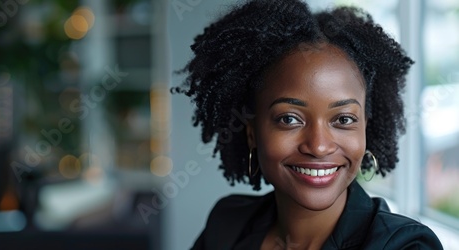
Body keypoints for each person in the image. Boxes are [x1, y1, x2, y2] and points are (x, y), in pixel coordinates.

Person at [172, 0, 443, 249]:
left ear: (365, 129)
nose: (319, 146)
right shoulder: (228, 224)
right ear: (252, 133)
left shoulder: (404, 245)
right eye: (289, 119)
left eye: (343, 119)